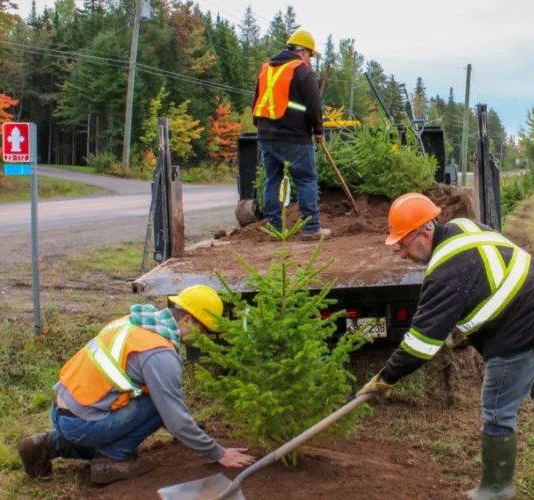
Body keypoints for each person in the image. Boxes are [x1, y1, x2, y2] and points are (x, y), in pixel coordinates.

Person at [358, 193, 534, 499]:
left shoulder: (444, 271)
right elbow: (486, 277)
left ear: (424, 234)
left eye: (402, 244)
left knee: (497, 412)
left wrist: (387, 377)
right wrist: (467, 330)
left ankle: (496, 489)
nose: (401, 253)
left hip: (521, 329)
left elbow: (420, 345)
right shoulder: (463, 226)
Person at [17, 285, 255, 485]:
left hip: (63, 410)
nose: (203, 337)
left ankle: (48, 443)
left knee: (153, 402)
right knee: (158, 405)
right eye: (204, 329)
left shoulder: (136, 322)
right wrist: (217, 452)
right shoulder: (159, 353)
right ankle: (112, 460)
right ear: (188, 319)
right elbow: (174, 419)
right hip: (83, 422)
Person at [252, 29, 330, 241]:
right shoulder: (302, 71)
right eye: (310, 56)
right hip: (294, 136)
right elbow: (314, 105)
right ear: (304, 52)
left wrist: (260, 127)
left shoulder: (267, 69)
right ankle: (311, 227)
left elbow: (257, 100)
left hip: (265, 134)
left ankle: (275, 229)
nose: (310, 61)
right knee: (306, 179)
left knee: (273, 181)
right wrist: (318, 130)